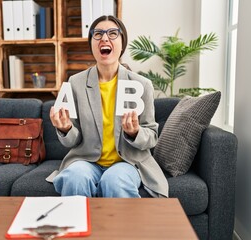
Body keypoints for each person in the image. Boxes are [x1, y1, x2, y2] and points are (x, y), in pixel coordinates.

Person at [46, 15, 168, 198]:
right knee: (74, 177)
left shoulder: (142, 84)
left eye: (112, 33)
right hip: (86, 160)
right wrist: (65, 128)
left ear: (122, 42)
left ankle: (121, 227)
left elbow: (152, 136)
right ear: (92, 44)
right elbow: (72, 141)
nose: (104, 38)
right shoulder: (75, 83)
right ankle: (78, 226)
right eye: (98, 34)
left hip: (128, 162)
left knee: (115, 180)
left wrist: (135, 132)